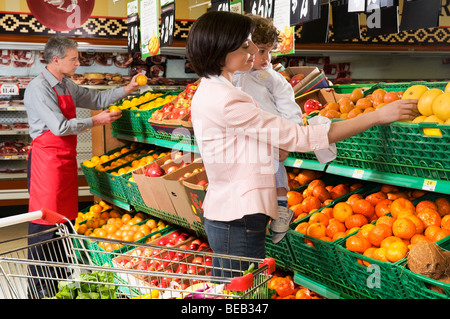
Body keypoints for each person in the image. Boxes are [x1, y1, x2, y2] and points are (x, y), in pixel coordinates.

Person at [186, 11, 418, 278]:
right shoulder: (229, 99)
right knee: (243, 296)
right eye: (245, 44)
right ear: (220, 51)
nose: (253, 50)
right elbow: (302, 138)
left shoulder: (210, 90)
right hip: (238, 217)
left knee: (229, 291)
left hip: (226, 212)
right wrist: (376, 116)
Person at [23, 36, 140, 298]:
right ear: (56, 60)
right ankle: (40, 291)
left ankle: (61, 285)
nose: (78, 62)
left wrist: (128, 88)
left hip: (63, 162)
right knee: (45, 227)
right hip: (46, 163)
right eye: (73, 58)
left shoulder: (66, 86)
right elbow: (60, 127)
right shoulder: (38, 88)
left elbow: (97, 99)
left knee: (66, 224)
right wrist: (96, 122)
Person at [233, 14, 336, 244]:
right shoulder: (233, 75)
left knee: (277, 176)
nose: (266, 58)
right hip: (243, 144)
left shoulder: (272, 79)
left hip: (272, 136)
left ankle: (281, 210)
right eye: (261, 51)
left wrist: (292, 135)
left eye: (269, 51)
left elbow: (289, 108)